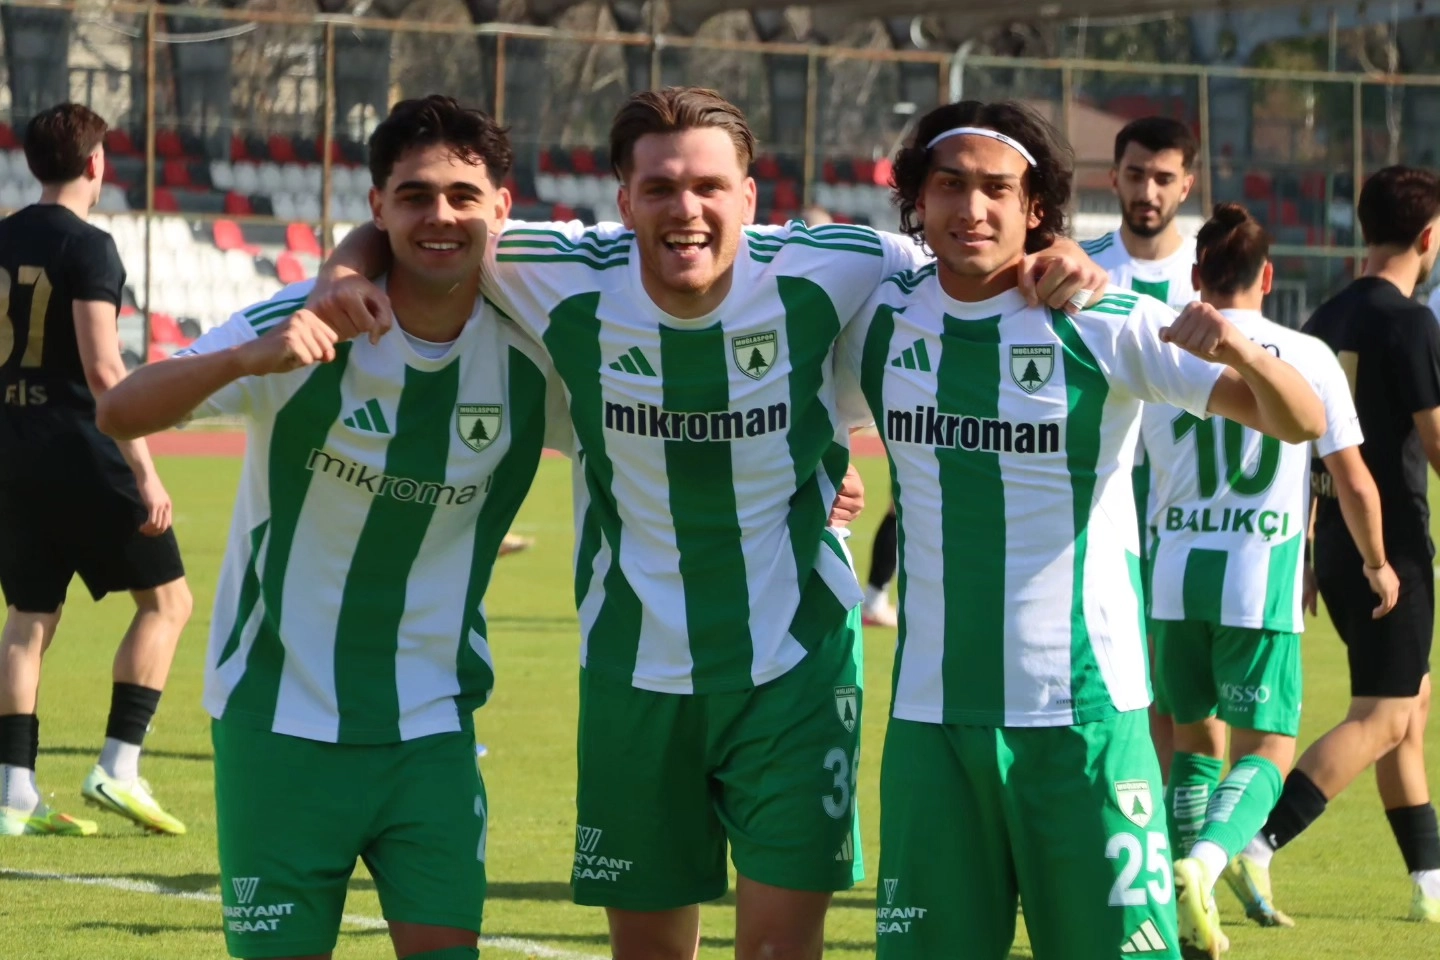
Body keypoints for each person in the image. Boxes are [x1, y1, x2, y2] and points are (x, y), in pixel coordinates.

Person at [308, 86, 1109, 960]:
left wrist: (1058, 250)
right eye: (659, 188)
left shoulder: (837, 266)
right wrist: (345, 267)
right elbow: (428, 225)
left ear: (749, 197)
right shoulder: (555, 272)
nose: (684, 209)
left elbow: (975, 249)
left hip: (796, 666)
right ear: (624, 202)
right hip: (633, 667)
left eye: (709, 187)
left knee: (776, 954)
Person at [834, 99, 1325, 960]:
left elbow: (1299, 419)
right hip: (931, 723)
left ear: (1036, 209)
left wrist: (1243, 351)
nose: (972, 208)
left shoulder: (1103, 320)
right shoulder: (874, 316)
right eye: (950, 184)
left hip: (1087, 720)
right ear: (917, 198)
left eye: (998, 189)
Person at [98, 96, 573, 960]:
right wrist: (244, 359)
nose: (440, 216)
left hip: (432, 725)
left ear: (503, 208)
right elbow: (120, 411)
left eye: (463, 196)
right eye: (415, 195)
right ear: (378, 207)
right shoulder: (303, 324)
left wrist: (824, 463)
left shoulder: (541, 352)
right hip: (274, 717)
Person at [1142, 202, 1396, 955]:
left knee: (1193, 745)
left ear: (1196, 275)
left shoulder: (1159, 345)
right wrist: (1376, 563)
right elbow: (1353, 481)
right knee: (1268, 751)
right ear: (1269, 276)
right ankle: (1205, 862)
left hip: (1172, 578)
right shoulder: (1306, 355)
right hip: (1258, 578)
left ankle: (1188, 913)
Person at [1231, 165, 1440, 926]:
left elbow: (1299, 441)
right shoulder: (1410, 322)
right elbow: (1437, 444)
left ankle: (1430, 884)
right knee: (1383, 716)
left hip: (1338, 545)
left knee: (1408, 712)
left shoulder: (1325, 316)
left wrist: (1312, 547)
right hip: (1392, 550)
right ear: (1429, 236)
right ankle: (1252, 843)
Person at [0, 103, 192, 838]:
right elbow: (106, 371)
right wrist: (145, 470)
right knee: (167, 603)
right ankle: (119, 767)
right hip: (81, 448)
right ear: (95, 164)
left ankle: (13, 793)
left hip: (10, 449)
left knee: (28, 617)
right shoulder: (90, 246)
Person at [1083, 115, 1226, 786]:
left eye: (1164, 178)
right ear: (1113, 177)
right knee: (1116, 673)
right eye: (1136, 174)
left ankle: (1179, 828)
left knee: (1184, 690)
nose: (1148, 191)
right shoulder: (1082, 268)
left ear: (1187, 185)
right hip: (1105, 500)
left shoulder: (1208, 277)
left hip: (1192, 508)